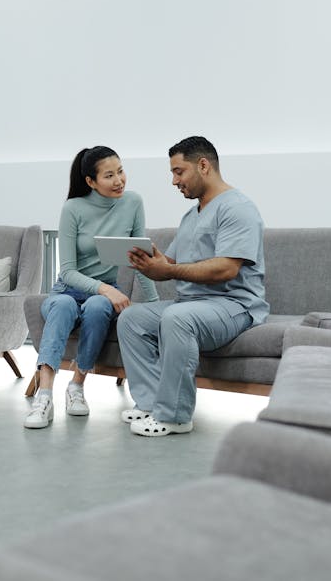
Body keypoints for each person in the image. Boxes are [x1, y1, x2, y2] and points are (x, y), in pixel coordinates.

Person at [118, 136, 268, 437]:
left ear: (203, 166)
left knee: (178, 318)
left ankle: (174, 416)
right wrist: (151, 264)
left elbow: (226, 268)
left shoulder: (237, 208)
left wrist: (169, 268)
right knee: (131, 319)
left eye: (179, 171)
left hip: (234, 306)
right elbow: (170, 266)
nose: (174, 181)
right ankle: (149, 404)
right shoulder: (191, 215)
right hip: (191, 304)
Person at [24, 146, 159, 429]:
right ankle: (44, 395)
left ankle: (76, 387)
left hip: (102, 293)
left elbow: (140, 259)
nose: (119, 180)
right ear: (90, 181)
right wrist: (106, 289)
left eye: (120, 171)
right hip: (67, 290)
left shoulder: (133, 203)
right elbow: (68, 271)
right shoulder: (73, 208)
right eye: (109, 175)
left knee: (98, 307)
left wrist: (155, 304)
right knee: (62, 306)